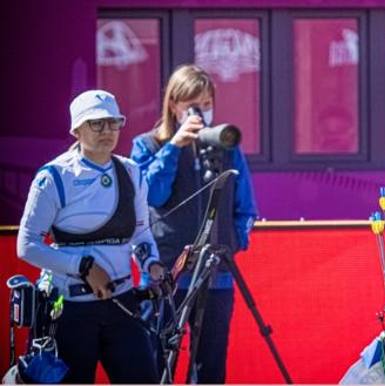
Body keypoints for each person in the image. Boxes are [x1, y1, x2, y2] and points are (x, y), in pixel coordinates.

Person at [16, 90, 163, 383]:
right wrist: (83, 267)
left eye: (113, 122)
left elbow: (141, 232)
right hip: (70, 311)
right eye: (96, 123)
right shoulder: (54, 176)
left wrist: (153, 266)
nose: (107, 131)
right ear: (77, 130)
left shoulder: (131, 171)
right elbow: (27, 245)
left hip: (122, 305)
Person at [131, 64, 258, 383]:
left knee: (210, 365)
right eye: (192, 105)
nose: (200, 112)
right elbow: (152, 195)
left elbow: (246, 205)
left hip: (216, 275)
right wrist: (174, 147)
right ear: (173, 105)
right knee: (156, 358)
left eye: (206, 104)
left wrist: (236, 241)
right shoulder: (147, 145)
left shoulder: (226, 145)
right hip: (166, 273)